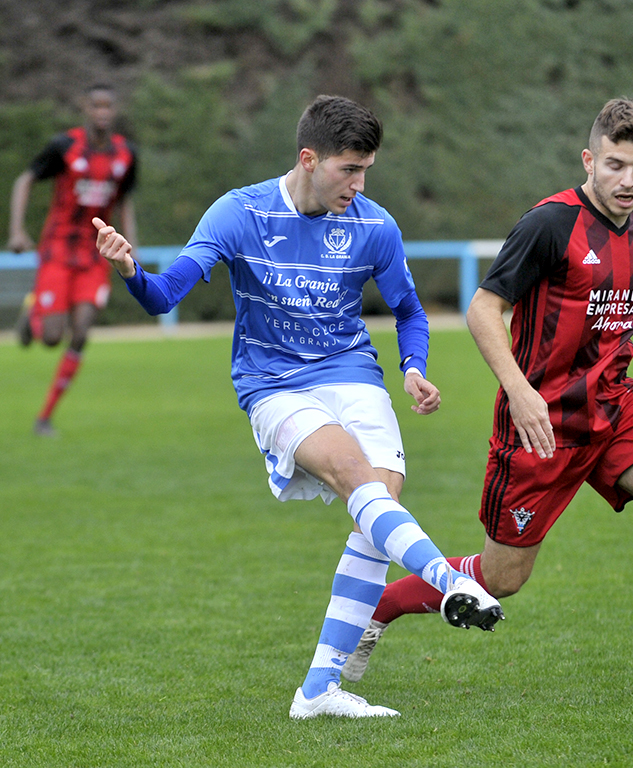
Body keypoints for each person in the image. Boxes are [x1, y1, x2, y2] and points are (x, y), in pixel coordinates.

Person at [91, 95, 504, 719]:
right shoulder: (240, 213)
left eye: (366, 170)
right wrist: (129, 270)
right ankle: (451, 581)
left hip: (351, 372)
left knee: (379, 505)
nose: (358, 185)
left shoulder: (374, 225)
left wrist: (413, 368)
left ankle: (318, 690)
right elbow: (163, 295)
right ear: (309, 159)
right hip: (273, 382)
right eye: (348, 170)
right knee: (356, 477)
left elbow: (408, 310)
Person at [343, 98, 633, 696]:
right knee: (502, 578)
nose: (629, 180)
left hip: (615, 408)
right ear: (589, 161)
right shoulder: (549, 224)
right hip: (540, 423)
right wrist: (519, 392)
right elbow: (483, 309)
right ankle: (381, 606)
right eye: (615, 165)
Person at [7, 83, 139, 436]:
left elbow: (125, 200)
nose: (102, 112)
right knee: (52, 337)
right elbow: (24, 180)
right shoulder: (64, 146)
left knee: (81, 333)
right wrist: (17, 230)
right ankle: (33, 312)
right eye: (96, 105)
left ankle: (45, 417)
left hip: (96, 255)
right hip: (58, 250)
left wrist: (132, 245)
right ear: (85, 108)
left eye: (108, 106)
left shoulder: (126, 154)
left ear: (115, 110)